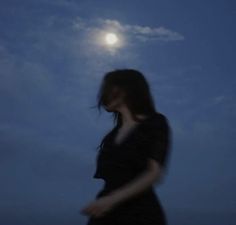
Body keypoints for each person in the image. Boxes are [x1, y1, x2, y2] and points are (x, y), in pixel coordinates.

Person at [80, 69, 172, 225]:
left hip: (140, 214)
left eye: (109, 87)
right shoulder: (110, 138)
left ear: (127, 90)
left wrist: (112, 200)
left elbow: (154, 173)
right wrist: (106, 202)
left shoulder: (155, 123)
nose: (104, 93)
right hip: (104, 214)